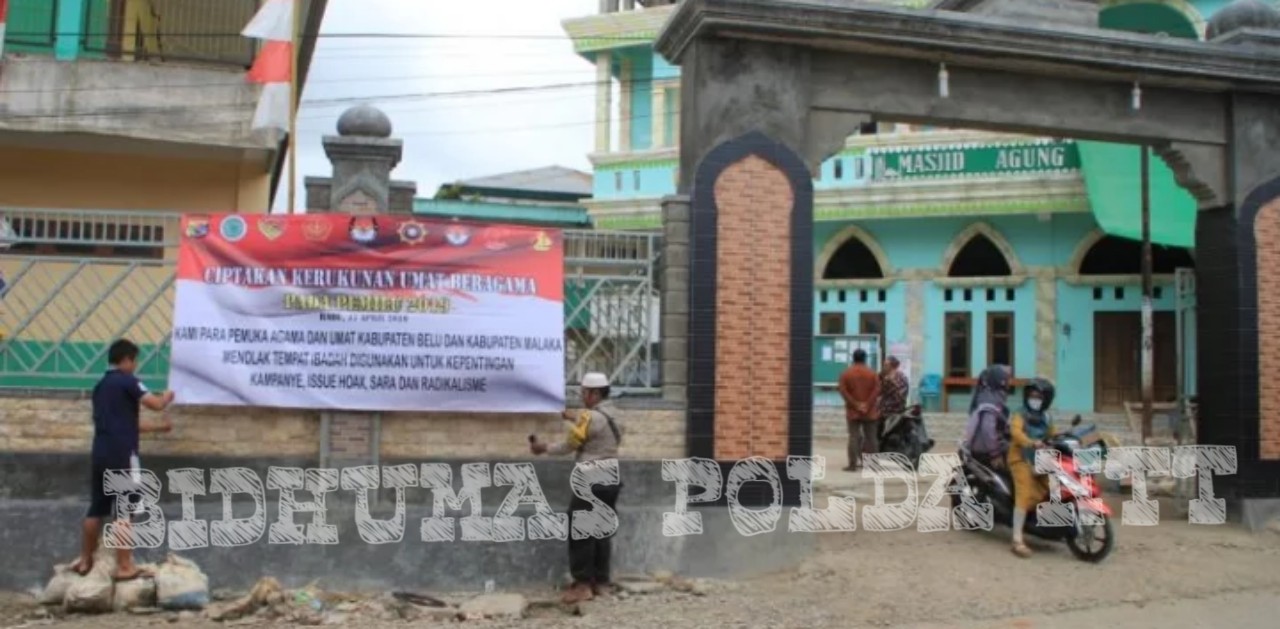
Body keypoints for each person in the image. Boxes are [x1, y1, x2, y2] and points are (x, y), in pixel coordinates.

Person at [70, 339, 175, 580]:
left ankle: (85, 560)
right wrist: (167, 397)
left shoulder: (101, 386)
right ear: (126, 359)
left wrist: (159, 429)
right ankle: (125, 566)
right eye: (135, 360)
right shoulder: (129, 381)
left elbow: (125, 424)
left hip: (101, 453)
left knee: (96, 507)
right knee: (125, 510)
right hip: (123, 456)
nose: (136, 365)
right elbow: (155, 404)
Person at [530, 373, 625, 604]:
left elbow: (571, 444)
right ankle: (601, 582)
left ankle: (582, 585)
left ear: (594, 393)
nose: (582, 396)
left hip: (590, 477)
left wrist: (544, 448)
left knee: (581, 529)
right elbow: (594, 429)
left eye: (584, 392)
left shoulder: (589, 417)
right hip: (610, 477)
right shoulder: (615, 414)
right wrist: (575, 419)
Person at [1007, 378, 1057, 558]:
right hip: (1020, 458)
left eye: (1038, 396)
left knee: (1048, 487)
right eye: (1031, 395)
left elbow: (1053, 434)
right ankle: (1017, 539)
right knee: (1025, 492)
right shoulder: (1020, 414)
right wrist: (1030, 442)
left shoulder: (1047, 417)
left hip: (1041, 459)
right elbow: (1015, 432)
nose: (1034, 399)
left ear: (1046, 400)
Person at [961, 365, 1011, 469]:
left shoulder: (987, 395)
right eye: (1006, 379)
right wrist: (995, 454)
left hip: (982, 446)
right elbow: (987, 428)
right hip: (985, 449)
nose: (1008, 382)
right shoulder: (990, 399)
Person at [838, 349, 880, 471]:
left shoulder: (846, 373)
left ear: (853, 358)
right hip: (870, 411)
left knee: (853, 437)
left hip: (852, 411)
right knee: (871, 438)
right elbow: (877, 390)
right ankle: (873, 465)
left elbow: (843, 391)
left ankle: (852, 465)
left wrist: (856, 405)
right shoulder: (872, 374)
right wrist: (867, 404)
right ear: (865, 358)